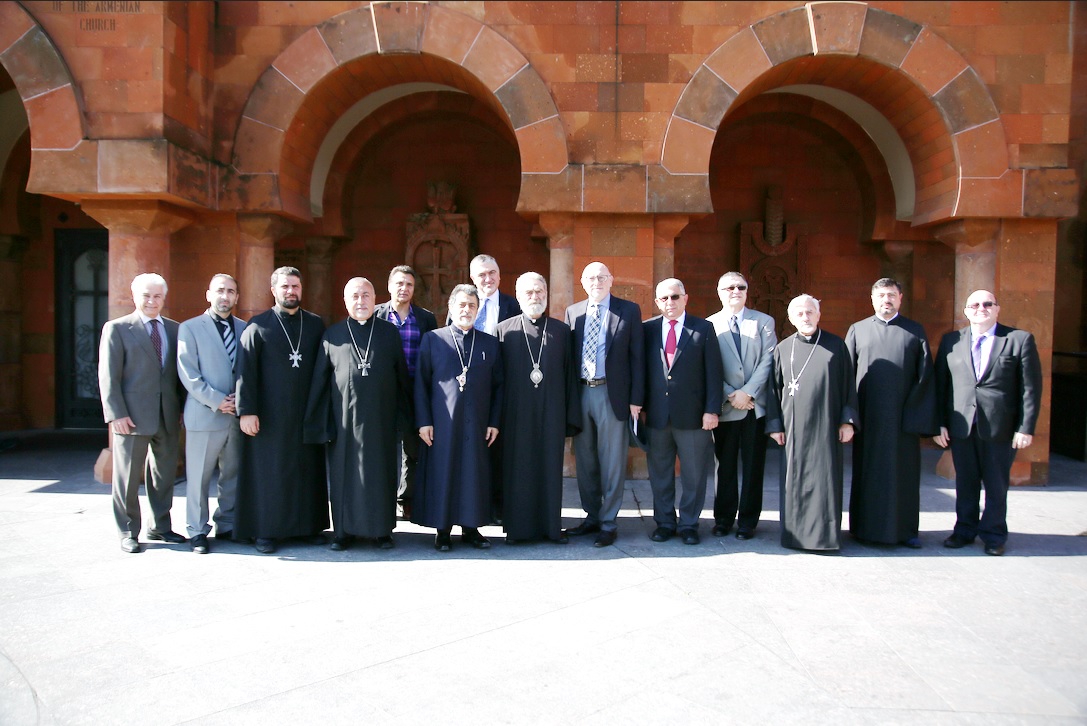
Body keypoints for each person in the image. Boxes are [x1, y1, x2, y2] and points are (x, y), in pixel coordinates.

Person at [305, 277, 411, 551]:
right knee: (343, 477)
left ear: (375, 298)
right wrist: (321, 425)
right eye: (355, 296)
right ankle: (343, 531)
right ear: (345, 301)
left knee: (382, 475)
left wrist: (404, 420)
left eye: (366, 295)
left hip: (381, 422)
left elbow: (401, 379)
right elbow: (320, 383)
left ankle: (382, 531)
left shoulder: (389, 333)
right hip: (344, 425)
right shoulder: (333, 335)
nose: (361, 301)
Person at [933, 289, 1042, 556]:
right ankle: (964, 531)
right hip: (962, 425)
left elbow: (1031, 388)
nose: (981, 308)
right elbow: (940, 386)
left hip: (1001, 428)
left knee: (996, 484)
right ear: (966, 311)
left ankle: (994, 535)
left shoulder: (1018, 340)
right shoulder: (951, 341)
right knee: (965, 482)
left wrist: (1025, 428)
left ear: (997, 309)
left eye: (987, 304)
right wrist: (939, 424)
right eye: (974, 304)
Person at [235, 267, 328, 554]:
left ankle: (308, 527)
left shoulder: (315, 325)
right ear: (273, 290)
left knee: (306, 471)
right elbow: (245, 372)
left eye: (296, 286)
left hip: (305, 414)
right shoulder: (257, 326)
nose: (291, 291)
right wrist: (246, 410)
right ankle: (266, 531)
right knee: (270, 474)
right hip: (269, 416)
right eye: (285, 286)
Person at [846, 278, 938, 549]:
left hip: (902, 422)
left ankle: (906, 531)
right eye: (881, 295)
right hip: (869, 419)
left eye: (891, 295)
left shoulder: (914, 331)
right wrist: (850, 417)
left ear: (900, 298)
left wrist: (915, 418)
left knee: (904, 477)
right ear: (872, 299)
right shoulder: (857, 330)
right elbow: (847, 376)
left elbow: (925, 378)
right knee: (868, 474)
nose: (886, 299)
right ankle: (863, 529)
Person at [99, 273, 186, 553]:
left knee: (163, 475)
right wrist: (116, 413)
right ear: (135, 296)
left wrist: (183, 410)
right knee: (126, 477)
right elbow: (108, 377)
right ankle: (127, 530)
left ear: (164, 298)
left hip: (168, 415)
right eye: (146, 295)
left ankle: (160, 526)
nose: (152, 301)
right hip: (131, 417)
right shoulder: (118, 328)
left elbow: (180, 375)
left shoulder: (175, 329)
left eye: (157, 296)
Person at [414, 284, 504, 551]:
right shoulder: (434, 339)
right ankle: (442, 530)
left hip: (477, 422)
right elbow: (421, 383)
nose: (466, 310)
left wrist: (494, 422)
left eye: (472, 306)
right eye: (462, 305)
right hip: (442, 423)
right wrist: (423, 421)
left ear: (478, 310)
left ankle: (471, 528)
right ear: (451, 307)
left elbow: (499, 386)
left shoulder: (489, 343)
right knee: (444, 472)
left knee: (473, 475)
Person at [765, 294, 858, 552]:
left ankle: (824, 537)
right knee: (793, 481)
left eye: (809, 312)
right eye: (799, 313)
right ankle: (794, 535)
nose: (805, 317)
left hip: (826, 425)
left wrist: (847, 422)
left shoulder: (836, 346)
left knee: (825, 480)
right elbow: (773, 389)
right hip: (793, 428)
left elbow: (848, 386)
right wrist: (775, 425)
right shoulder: (783, 348)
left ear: (818, 315)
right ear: (791, 318)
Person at [564, 261, 645, 547]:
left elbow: (638, 357)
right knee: (585, 460)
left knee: (612, 461)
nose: (596, 281)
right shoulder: (573, 313)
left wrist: (637, 399)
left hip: (613, 394)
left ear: (611, 280)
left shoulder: (629, 310)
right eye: (590, 277)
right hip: (582, 393)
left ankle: (609, 522)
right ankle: (592, 517)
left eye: (601, 276)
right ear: (582, 282)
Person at [495, 273, 580, 544]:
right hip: (516, 416)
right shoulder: (504, 330)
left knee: (549, 469)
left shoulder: (561, 331)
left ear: (547, 294)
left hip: (552, 413)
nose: (535, 297)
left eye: (540, 291)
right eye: (529, 292)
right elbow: (497, 381)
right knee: (518, 470)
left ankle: (551, 528)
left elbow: (570, 377)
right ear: (518, 297)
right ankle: (518, 531)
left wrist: (569, 418)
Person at [642, 278, 723, 545]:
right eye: (664, 299)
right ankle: (664, 523)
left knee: (694, 475)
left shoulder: (703, 328)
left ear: (685, 298)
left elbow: (714, 373)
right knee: (660, 474)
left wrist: (712, 410)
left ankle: (689, 524)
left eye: (675, 297)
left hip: (694, 416)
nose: (670, 303)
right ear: (657, 302)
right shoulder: (648, 329)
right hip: (657, 416)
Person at [176, 273, 247, 554]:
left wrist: (240, 402)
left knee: (232, 474)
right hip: (205, 414)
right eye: (219, 290)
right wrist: (217, 400)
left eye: (230, 291)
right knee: (199, 477)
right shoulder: (190, 328)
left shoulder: (245, 329)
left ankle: (227, 524)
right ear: (208, 294)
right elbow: (188, 373)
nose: (225, 296)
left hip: (236, 416)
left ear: (237, 297)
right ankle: (196, 530)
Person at [707, 271, 777, 541]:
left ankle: (748, 521)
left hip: (753, 407)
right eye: (728, 287)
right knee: (724, 466)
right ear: (719, 292)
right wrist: (730, 394)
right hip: (726, 407)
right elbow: (709, 367)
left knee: (753, 466)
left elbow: (768, 360)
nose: (735, 291)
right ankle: (723, 519)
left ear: (747, 291)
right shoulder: (709, 325)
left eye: (740, 287)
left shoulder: (763, 322)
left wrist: (747, 392)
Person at [374, 265, 439, 520]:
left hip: (414, 390)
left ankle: (407, 498)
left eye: (409, 285)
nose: (404, 289)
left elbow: (432, 355)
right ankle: (384, 498)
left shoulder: (425, 319)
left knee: (412, 448)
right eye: (399, 283)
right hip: (383, 391)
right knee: (383, 445)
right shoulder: (377, 315)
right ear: (390, 286)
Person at [466, 254, 520, 335]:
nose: (488, 279)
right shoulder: (461, 305)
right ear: (473, 278)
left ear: (498, 275)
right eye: (482, 275)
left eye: (492, 273)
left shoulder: (513, 305)